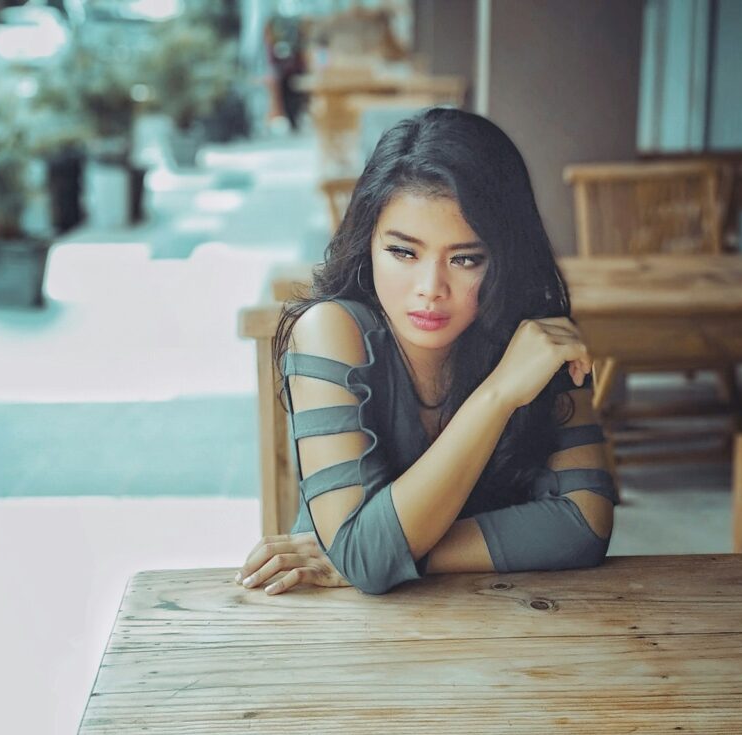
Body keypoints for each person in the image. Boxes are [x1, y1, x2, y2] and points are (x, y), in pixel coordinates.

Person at [235, 108, 617, 596]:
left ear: (505, 256)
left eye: (465, 259)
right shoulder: (330, 331)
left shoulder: (534, 341)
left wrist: (377, 551)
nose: (430, 289)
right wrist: (498, 395)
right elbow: (364, 557)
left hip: (502, 631)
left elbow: (583, 528)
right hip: (341, 636)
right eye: (403, 252)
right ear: (367, 241)